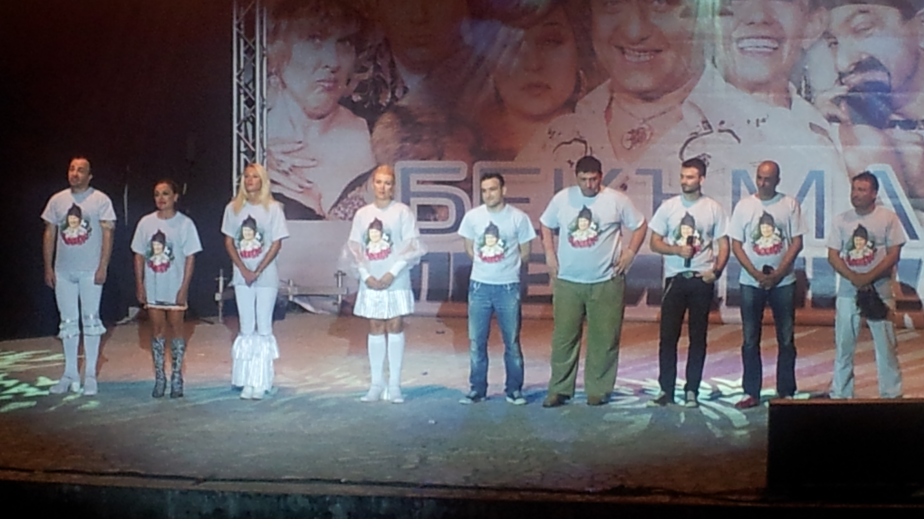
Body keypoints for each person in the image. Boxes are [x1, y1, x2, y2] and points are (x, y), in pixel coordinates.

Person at [539, 155, 647, 407]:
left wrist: (630, 252)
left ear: (601, 176)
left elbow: (640, 225)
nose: (588, 184)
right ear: (576, 177)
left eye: (593, 179)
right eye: (583, 179)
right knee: (564, 338)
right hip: (568, 282)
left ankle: (598, 389)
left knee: (605, 339)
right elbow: (545, 224)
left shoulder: (616, 200)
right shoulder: (562, 199)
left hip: (606, 281)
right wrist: (549, 253)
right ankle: (559, 389)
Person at [266, 0, 377, 221]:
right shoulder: (243, 139)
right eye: (314, 39)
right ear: (277, 49)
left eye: (345, 43)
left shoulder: (381, 141)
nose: (333, 61)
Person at [811, 0, 924, 215]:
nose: (843, 63)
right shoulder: (837, 120)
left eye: (863, 29)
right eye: (833, 43)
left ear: (920, 27)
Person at [648, 158, 729, 408]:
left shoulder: (713, 208)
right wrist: (675, 250)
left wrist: (715, 272)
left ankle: (692, 389)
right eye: (683, 176)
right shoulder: (669, 207)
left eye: (690, 177)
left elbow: (724, 244)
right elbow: (654, 242)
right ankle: (666, 390)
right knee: (668, 337)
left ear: (701, 179)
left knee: (697, 337)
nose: (685, 181)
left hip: (700, 280)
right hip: (675, 279)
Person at [472, 0, 597, 160]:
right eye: (510, 42)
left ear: (580, 49)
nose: (533, 63)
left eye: (551, 41)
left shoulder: (610, 142)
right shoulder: (460, 150)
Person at [728, 161, 806, 409]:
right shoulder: (744, 206)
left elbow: (796, 242)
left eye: (768, 179)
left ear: (777, 181)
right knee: (750, 339)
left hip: (784, 282)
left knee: (786, 338)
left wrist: (778, 273)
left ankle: (786, 391)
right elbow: (736, 244)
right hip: (750, 283)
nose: (762, 183)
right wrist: (755, 274)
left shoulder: (789, 204)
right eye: (759, 178)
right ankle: (751, 391)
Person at [347, 165, 425, 404]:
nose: (383, 187)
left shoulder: (402, 212)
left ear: (393, 186)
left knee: (395, 325)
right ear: (372, 185)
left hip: (396, 279)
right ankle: (376, 384)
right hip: (371, 279)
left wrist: (392, 273)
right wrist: (366, 276)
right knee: (375, 326)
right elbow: (355, 249)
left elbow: (412, 246)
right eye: (379, 182)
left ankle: (394, 385)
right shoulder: (362, 214)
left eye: (387, 183)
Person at [457, 172, 537, 404]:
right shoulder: (473, 217)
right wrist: (486, 266)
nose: (488, 194)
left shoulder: (518, 218)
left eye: (492, 189)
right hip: (479, 287)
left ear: (503, 190)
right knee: (476, 342)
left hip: (508, 287)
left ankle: (514, 390)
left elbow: (525, 252)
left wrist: (507, 269)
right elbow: (469, 247)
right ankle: (477, 390)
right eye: (484, 190)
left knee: (511, 342)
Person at [827, 171, 905, 398]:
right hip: (847, 292)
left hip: (880, 292)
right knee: (844, 347)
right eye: (854, 189)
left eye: (862, 190)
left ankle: (891, 395)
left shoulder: (887, 218)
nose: (856, 194)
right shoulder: (841, 220)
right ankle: (841, 394)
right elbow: (833, 255)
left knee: (886, 346)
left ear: (874, 193)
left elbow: (893, 254)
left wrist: (868, 277)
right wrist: (855, 278)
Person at [42, 157, 116, 396]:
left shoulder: (100, 200)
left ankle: (90, 375)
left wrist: (103, 266)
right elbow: (49, 233)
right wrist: (48, 267)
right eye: (72, 169)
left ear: (89, 175)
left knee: (91, 320)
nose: (75, 173)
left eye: (80, 170)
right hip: (63, 271)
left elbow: (108, 235)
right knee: (68, 322)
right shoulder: (57, 200)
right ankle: (70, 374)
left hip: (90, 270)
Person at [221, 163, 290, 400]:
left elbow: (277, 243)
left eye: (255, 177)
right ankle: (247, 380)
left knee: (263, 326)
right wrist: (243, 269)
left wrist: (258, 269)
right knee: (246, 326)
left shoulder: (273, 208)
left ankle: (261, 380)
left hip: (266, 277)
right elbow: (229, 242)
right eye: (247, 176)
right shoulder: (233, 208)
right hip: (242, 277)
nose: (250, 180)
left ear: (262, 181)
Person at [130, 180, 202, 398]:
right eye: (157, 194)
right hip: (154, 286)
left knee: (177, 330)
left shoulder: (185, 224)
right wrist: (140, 283)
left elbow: (190, 257)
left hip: (174, 285)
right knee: (157, 330)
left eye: (166, 193)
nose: (161, 198)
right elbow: (138, 255)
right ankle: (160, 377)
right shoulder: (145, 223)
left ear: (175, 196)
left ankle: (177, 376)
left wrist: (184, 287)